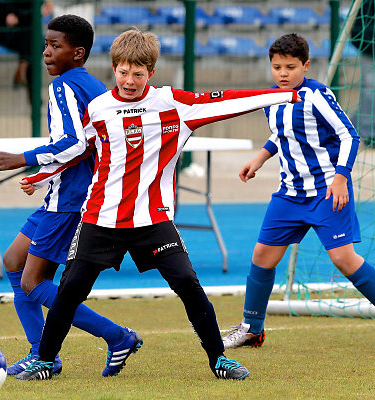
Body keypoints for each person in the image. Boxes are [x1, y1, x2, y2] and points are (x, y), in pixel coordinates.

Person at [15, 27, 300, 382]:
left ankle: (219, 359)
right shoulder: (99, 108)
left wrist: (281, 96)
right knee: (71, 289)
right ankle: (44, 360)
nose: (129, 80)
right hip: (101, 217)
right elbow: (77, 149)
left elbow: (227, 100)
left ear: (151, 72)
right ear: (113, 69)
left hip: (152, 219)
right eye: (122, 71)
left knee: (188, 284)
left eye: (138, 73)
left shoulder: (174, 105)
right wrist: (40, 176)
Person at [0, 14, 140, 378]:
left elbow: (73, 142)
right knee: (14, 261)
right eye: (46, 45)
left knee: (33, 281)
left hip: (70, 197)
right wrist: (42, 176)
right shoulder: (93, 85)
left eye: (56, 46)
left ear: (78, 53)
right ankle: (42, 351)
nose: (47, 52)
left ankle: (115, 337)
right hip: (67, 192)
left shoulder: (64, 86)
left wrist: (21, 159)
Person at [222, 33, 375, 349]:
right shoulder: (271, 98)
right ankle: (252, 328)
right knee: (262, 256)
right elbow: (282, 134)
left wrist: (341, 179)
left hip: (326, 191)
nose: (282, 73)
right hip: (289, 194)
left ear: (305, 66)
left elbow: (350, 136)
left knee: (344, 260)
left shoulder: (317, 96)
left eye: (290, 67)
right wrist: (260, 158)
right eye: (277, 67)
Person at [0, 1, 53, 89]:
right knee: (32, 39)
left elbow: (39, 9)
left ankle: (22, 69)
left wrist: (31, 14)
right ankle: (31, 90)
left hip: (21, 33)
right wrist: (36, 13)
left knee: (34, 40)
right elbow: (11, 20)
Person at [350, 0, 374, 147]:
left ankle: (354, 126)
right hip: (369, 48)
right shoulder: (367, 3)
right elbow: (357, 28)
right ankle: (368, 133)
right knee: (370, 89)